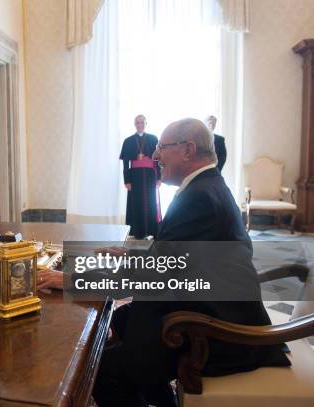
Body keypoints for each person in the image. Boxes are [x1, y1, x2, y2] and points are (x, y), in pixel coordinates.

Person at [39, 118, 289, 407]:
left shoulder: (200, 199)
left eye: (162, 147)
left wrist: (69, 280)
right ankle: (162, 397)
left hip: (216, 334)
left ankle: (146, 384)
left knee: (104, 370)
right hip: (203, 305)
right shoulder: (207, 187)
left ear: (188, 150)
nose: (156, 155)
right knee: (121, 320)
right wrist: (135, 255)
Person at [119, 115, 161, 239]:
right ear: (134, 124)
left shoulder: (154, 139)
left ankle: (152, 230)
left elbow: (158, 161)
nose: (140, 124)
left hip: (149, 176)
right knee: (135, 203)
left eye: (142, 122)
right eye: (137, 122)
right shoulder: (128, 140)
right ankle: (137, 232)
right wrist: (127, 180)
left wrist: (159, 177)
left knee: (151, 202)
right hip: (135, 176)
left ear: (146, 123)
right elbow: (125, 163)